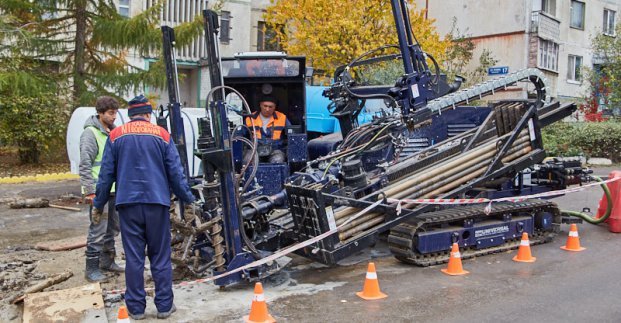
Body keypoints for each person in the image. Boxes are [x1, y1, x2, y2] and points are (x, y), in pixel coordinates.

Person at [93, 95, 195, 320]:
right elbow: (176, 174)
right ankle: (165, 307)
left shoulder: (115, 135)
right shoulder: (162, 134)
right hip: (156, 203)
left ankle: (136, 309)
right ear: (148, 114)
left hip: (127, 205)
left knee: (134, 258)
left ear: (129, 114)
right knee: (160, 256)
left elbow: (105, 175)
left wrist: (98, 204)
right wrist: (187, 200)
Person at [79, 96, 123, 283]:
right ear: (100, 113)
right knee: (98, 228)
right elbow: (85, 164)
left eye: (115, 113)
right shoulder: (90, 133)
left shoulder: (112, 132)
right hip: (98, 191)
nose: (114, 117)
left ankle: (107, 261)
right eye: (111, 113)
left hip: (113, 189)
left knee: (112, 227)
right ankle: (92, 269)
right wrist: (90, 191)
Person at [244, 95, 291, 163]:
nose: (267, 109)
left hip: (276, 150)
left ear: (275, 107)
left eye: (270, 107)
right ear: (260, 105)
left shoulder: (282, 118)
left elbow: (292, 134)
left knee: (278, 160)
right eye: (265, 106)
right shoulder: (250, 118)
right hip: (255, 150)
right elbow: (241, 136)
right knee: (248, 160)